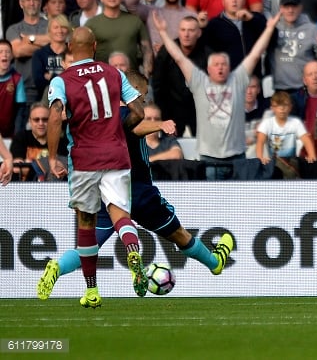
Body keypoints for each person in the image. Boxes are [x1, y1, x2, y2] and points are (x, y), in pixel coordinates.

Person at [37, 70, 233, 301]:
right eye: (144, 95)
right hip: (137, 191)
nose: (144, 100)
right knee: (179, 234)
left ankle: (57, 268)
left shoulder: (99, 117)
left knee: (89, 247)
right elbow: (133, 127)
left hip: (103, 192)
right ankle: (214, 263)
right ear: (134, 91)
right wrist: (159, 124)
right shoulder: (124, 113)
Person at [46, 26, 147, 308]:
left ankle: (92, 291)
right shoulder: (114, 72)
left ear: (69, 48)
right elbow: (139, 111)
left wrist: (53, 157)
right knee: (119, 215)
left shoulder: (62, 80)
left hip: (84, 159)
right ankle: (132, 249)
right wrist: (118, 130)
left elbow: (55, 117)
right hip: (116, 154)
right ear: (93, 47)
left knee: (87, 224)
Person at [153, 10, 280, 180]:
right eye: (216, 64)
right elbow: (179, 58)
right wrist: (162, 32)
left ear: (229, 68)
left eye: (223, 64)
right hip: (209, 158)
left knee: (239, 204)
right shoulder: (199, 81)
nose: (220, 67)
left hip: (237, 157)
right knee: (212, 204)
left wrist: (269, 28)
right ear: (208, 68)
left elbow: (256, 54)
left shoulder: (238, 79)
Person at [153, 15, 211, 137]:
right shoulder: (166, 52)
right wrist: (164, 119)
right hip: (171, 109)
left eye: (191, 30)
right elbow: (158, 87)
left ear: (199, 33)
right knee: (171, 147)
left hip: (199, 111)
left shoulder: (207, 54)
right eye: (183, 30)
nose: (186, 34)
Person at [85, 0, 152, 77]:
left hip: (131, 81)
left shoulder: (135, 21)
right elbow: (85, 55)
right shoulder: (91, 24)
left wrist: (146, 75)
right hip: (102, 81)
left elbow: (147, 50)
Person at [6, 0, 49, 133]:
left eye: (35, 0)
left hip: (49, 89)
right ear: (21, 3)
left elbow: (59, 45)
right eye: (28, 0)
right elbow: (18, 51)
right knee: (21, 136)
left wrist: (29, 39)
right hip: (24, 91)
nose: (32, 3)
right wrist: (46, 43)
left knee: (50, 137)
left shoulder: (52, 25)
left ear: (41, 2)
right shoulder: (14, 29)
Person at [202, 0, 267, 79]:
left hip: (253, 81)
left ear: (244, 0)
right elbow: (203, 53)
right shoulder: (214, 25)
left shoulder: (256, 19)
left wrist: (252, 19)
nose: (234, 0)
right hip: (228, 81)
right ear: (223, 1)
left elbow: (273, 39)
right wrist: (201, 28)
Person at [271, 0, 317, 93]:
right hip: (279, 88)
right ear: (281, 8)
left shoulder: (312, 29)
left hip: (303, 88)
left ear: (300, 8)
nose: (290, 10)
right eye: (287, 6)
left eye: (294, 6)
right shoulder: (273, 28)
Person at [125, 0, 198, 56]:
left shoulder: (191, 16)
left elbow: (197, 46)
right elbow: (129, 3)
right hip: (157, 66)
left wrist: (166, 48)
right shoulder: (151, 12)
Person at [10, 102, 68, 181]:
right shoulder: (21, 137)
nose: (41, 123)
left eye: (45, 120)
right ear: (30, 121)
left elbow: (62, 170)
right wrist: (48, 165)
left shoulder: (60, 141)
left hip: (53, 189)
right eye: (36, 120)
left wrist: (30, 164)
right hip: (25, 187)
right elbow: (17, 168)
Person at [256, 90, 317, 165]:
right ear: (272, 108)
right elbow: (260, 142)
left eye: (285, 105)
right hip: (273, 164)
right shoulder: (266, 123)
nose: (282, 108)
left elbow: (306, 140)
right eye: (278, 105)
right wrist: (260, 159)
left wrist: (312, 155)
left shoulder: (296, 122)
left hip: (292, 163)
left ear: (290, 107)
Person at [31, 15, 70, 102]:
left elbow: (76, 80)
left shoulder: (73, 53)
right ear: (49, 31)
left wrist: (51, 76)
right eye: (56, 27)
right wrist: (64, 76)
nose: (60, 31)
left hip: (70, 99)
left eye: (63, 27)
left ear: (68, 31)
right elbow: (39, 83)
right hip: (45, 100)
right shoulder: (39, 54)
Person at [0, 39, 26, 138]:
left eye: (7, 52)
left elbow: (20, 109)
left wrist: (17, 133)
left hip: (9, 133)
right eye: (0, 52)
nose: (4, 54)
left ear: (12, 56)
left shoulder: (17, 79)